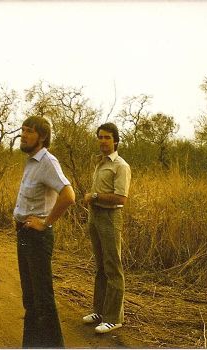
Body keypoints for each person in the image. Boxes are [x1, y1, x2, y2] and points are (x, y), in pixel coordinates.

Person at [13, 116, 76, 348]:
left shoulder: (48, 162)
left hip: (37, 238)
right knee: (30, 299)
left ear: (42, 137)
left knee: (43, 299)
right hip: (24, 235)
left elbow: (69, 196)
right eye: (23, 130)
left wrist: (46, 223)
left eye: (29, 131)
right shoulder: (31, 162)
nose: (24, 134)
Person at [82, 122, 131, 334]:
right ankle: (100, 311)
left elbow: (121, 198)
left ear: (116, 140)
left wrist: (94, 196)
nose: (103, 141)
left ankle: (114, 317)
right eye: (100, 137)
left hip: (111, 217)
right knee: (100, 266)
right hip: (96, 216)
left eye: (107, 137)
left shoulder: (121, 165)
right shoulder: (100, 163)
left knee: (113, 267)